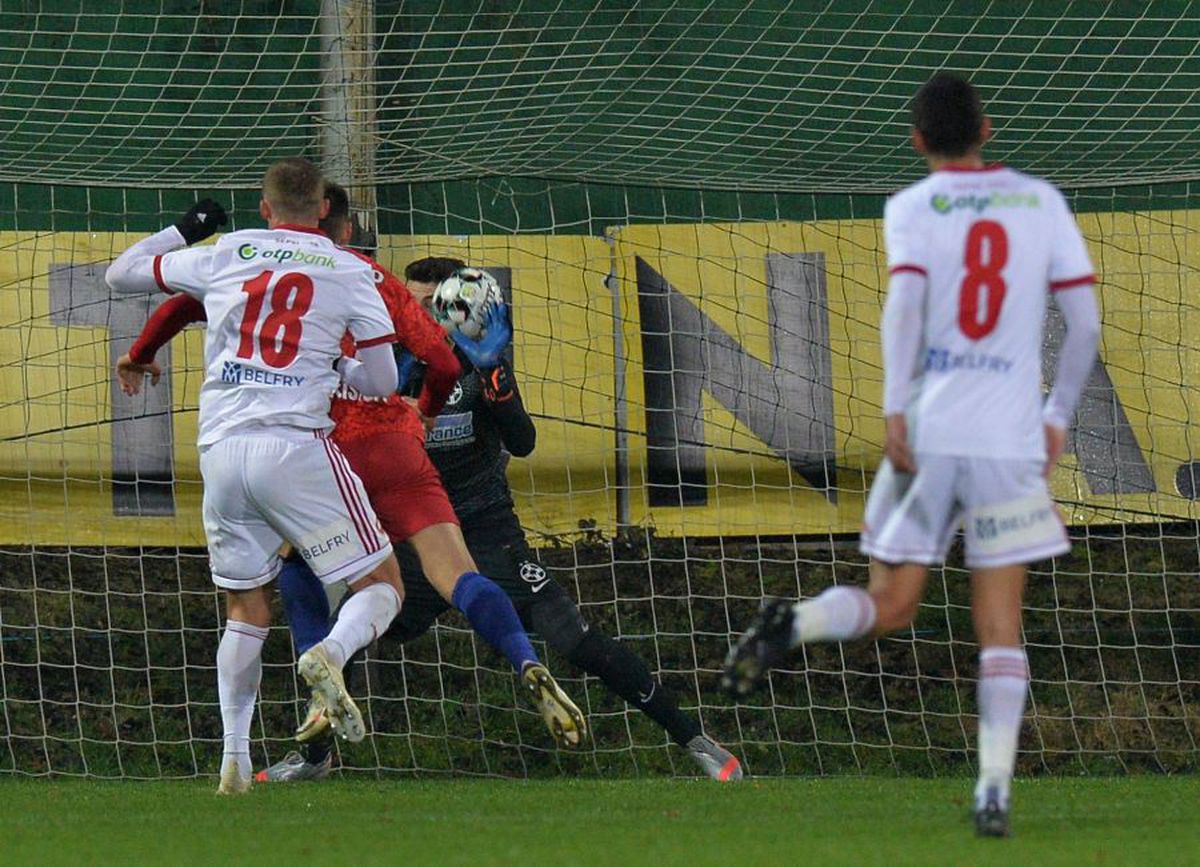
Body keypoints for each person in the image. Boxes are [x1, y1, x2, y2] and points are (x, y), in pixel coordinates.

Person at [722, 73, 1101, 836]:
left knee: (892, 605)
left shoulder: (910, 207)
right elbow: (1085, 324)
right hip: (1006, 442)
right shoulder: (1040, 202)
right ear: (987, 128)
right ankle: (993, 790)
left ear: (918, 139)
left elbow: (905, 306)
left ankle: (792, 624)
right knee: (1000, 626)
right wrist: (1056, 417)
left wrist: (896, 407)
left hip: (928, 428)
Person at [116, 183, 587, 774]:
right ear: (345, 227)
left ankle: (316, 704)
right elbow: (438, 363)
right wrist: (428, 409)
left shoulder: (246, 259)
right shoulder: (370, 277)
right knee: (451, 571)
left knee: (295, 572)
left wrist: (139, 350)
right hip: (395, 445)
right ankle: (523, 660)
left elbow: (181, 304)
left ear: (277, 212)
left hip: (318, 445)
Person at [262, 255, 743, 783]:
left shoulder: (477, 362)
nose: (418, 312)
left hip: (487, 531)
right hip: (416, 537)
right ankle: (316, 759)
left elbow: (524, 441)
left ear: (459, 308)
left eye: (433, 304)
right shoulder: (383, 366)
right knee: (349, 628)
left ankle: (695, 740)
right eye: (412, 301)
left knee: (575, 640)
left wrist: (494, 373)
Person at [105, 158, 408, 794]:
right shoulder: (351, 269)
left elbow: (122, 273)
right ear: (324, 210)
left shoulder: (228, 251)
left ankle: (234, 762)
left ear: (265, 209)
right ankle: (332, 653)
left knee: (245, 606)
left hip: (219, 451)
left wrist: (186, 229)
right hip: (294, 447)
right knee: (380, 583)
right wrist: (335, 373)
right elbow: (382, 382)